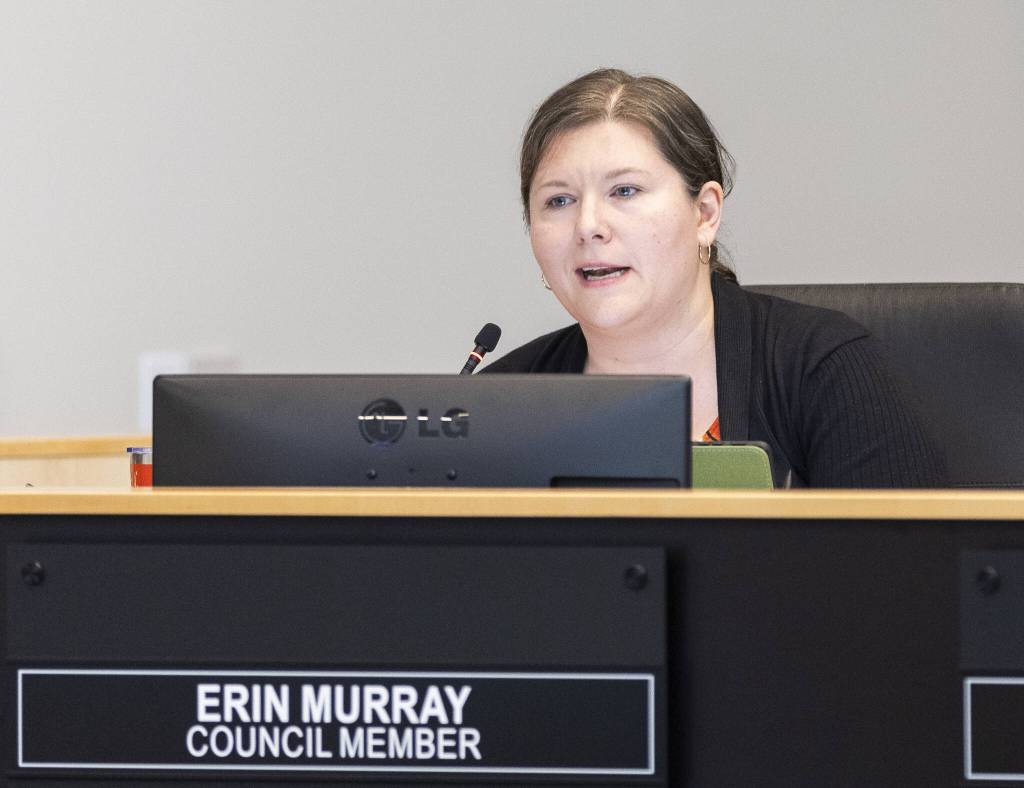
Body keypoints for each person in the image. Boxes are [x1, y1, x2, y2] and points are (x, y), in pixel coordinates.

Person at [482, 68, 944, 488]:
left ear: (705, 213)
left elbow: (911, 573)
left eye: (624, 191)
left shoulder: (824, 369)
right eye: (558, 201)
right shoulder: (495, 407)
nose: (588, 226)